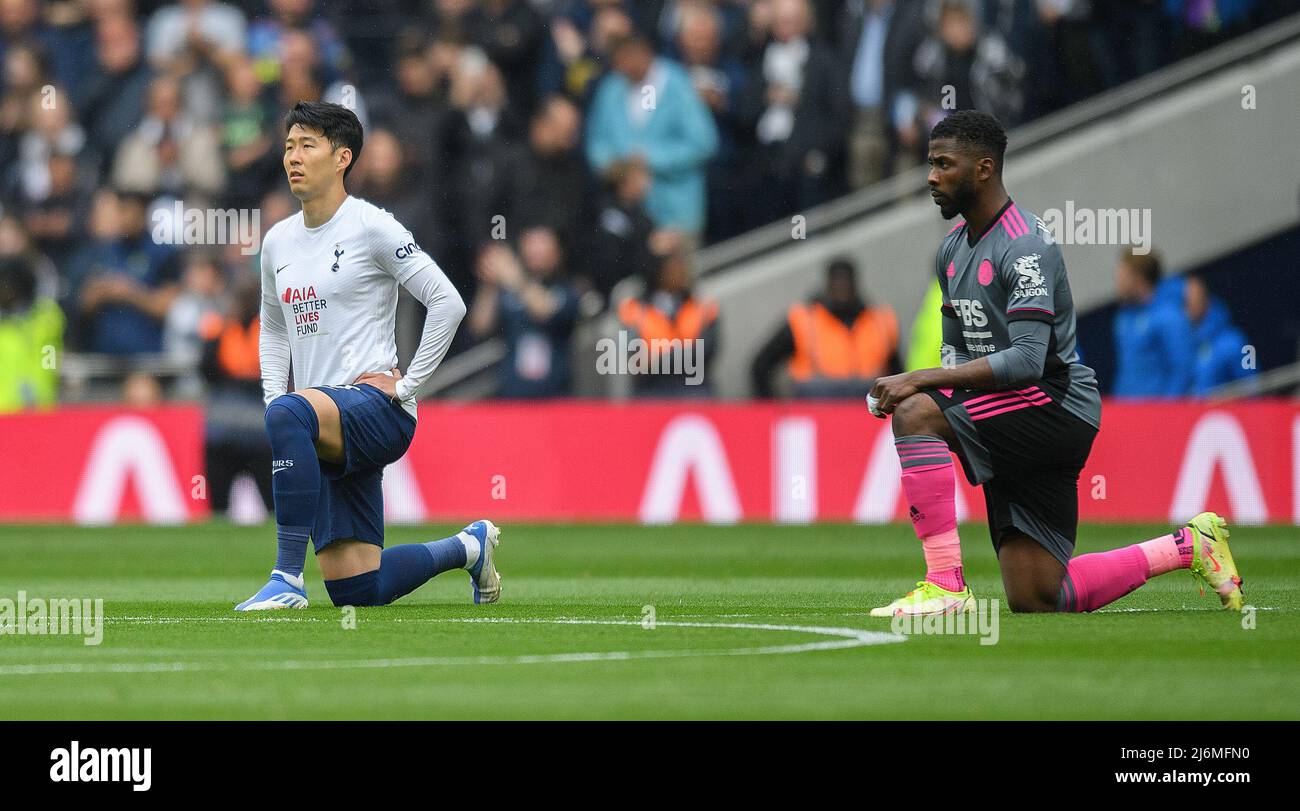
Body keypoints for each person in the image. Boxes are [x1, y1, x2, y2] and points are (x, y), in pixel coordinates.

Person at [867, 110, 1243, 616]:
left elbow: (1026, 360)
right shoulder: (952, 252)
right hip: (1010, 410)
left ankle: (945, 585)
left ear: (983, 169)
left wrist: (917, 382)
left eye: (942, 164)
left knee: (915, 414)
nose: (931, 177)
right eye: (930, 164)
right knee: (1039, 595)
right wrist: (937, 391)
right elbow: (957, 355)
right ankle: (1186, 546)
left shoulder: (1024, 246)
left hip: (1054, 403)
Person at [235, 100, 500, 611]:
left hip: (376, 410)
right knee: (358, 591)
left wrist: (406, 388)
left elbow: (448, 302)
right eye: (289, 145)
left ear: (342, 158)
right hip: (321, 426)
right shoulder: (277, 242)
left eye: (307, 145)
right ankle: (470, 546)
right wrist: (274, 398)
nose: (293, 156)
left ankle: (286, 579)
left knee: (291, 412)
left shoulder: (372, 226)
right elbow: (271, 327)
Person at [750, 257, 899, 399]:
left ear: (855, 284)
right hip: (817, 409)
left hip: (870, 409)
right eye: (837, 282)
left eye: (846, 282)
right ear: (827, 285)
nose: (842, 288)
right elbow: (761, 365)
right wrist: (771, 411)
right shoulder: (804, 321)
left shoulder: (880, 321)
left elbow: (897, 372)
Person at [1112, 248, 1193, 398]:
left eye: (1122, 277)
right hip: (1129, 412)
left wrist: (1163, 412)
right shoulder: (1123, 319)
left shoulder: (1169, 317)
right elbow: (1127, 370)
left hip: (1157, 414)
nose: (1118, 284)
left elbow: (1183, 370)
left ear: (1137, 278)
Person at [1184, 274, 1256, 396]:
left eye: (1191, 300)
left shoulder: (1235, 341)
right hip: (1194, 413)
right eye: (1184, 302)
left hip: (1226, 413)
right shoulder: (1185, 343)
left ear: (1205, 299)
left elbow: (1252, 385)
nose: (1187, 307)